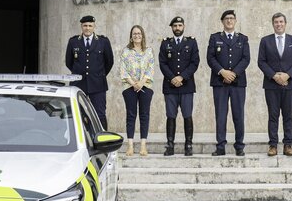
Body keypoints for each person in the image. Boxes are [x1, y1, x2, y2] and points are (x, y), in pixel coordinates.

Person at [258, 12, 292, 156]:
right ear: (273, 24)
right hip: (271, 85)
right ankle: (273, 145)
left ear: (285, 23)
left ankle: (288, 145)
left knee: (288, 115)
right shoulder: (265, 41)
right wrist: (274, 76)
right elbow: (261, 62)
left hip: (289, 85)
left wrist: (287, 75)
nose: (279, 24)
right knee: (273, 116)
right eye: (276, 22)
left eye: (281, 22)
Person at [207, 9, 251, 156]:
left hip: (238, 83)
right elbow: (210, 58)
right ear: (222, 21)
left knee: (238, 115)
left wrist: (233, 73)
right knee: (221, 115)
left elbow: (246, 59)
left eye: (232, 18)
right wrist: (222, 72)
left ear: (235, 21)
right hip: (220, 82)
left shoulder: (242, 39)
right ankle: (220, 146)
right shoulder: (214, 38)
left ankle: (239, 146)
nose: (229, 21)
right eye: (226, 18)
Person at [158, 16, 200, 156]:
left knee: (187, 115)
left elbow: (195, 62)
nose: (177, 28)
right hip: (170, 86)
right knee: (171, 115)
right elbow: (162, 63)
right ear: (171, 27)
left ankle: (188, 145)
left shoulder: (192, 43)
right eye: (175, 25)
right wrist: (173, 78)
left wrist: (182, 77)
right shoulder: (165, 43)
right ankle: (170, 145)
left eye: (180, 25)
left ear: (184, 26)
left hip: (186, 85)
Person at [65, 14, 114, 129]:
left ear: (94, 26)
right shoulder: (73, 42)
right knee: (77, 112)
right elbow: (69, 62)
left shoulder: (103, 42)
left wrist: (98, 75)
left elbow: (109, 62)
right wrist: (79, 73)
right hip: (79, 83)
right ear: (81, 27)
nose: (87, 28)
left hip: (98, 84)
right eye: (85, 25)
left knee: (100, 114)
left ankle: (103, 141)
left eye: (90, 26)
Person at [119, 24, 155, 156]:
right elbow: (123, 70)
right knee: (131, 115)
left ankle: (143, 146)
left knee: (144, 115)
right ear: (131, 36)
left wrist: (141, 82)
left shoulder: (149, 51)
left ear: (143, 35)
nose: (137, 36)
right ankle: (130, 146)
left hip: (145, 86)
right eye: (134, 34)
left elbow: (150, 68)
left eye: (139, 33)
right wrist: (133, 83)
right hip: (129, 87)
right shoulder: (125, 51)